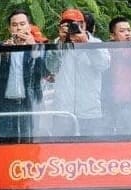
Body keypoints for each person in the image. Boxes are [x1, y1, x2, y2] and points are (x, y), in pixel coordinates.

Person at [45, 8, 110, 137]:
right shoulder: (58, 44)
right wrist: (60, 45)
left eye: (75, 24)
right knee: (61, 152)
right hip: (63, 111)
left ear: (84, 25)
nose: (71, 28)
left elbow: (103, 65)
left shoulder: (96, 43)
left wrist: (86, 43)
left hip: (89, 111)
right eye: (67, 25)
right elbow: (51, 68)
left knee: (91, 152)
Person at [0, 9, 47, 140]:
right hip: (5, 103)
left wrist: (33, 47)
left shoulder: (38, 47)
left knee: (29, 138)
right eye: (15, 25)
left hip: (29, 102)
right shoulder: (1, 47)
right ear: (9, 28)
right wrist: (3, 53)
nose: (19, 28)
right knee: (4, 139)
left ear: (29, 26)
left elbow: (44, 72)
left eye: (22, 24)